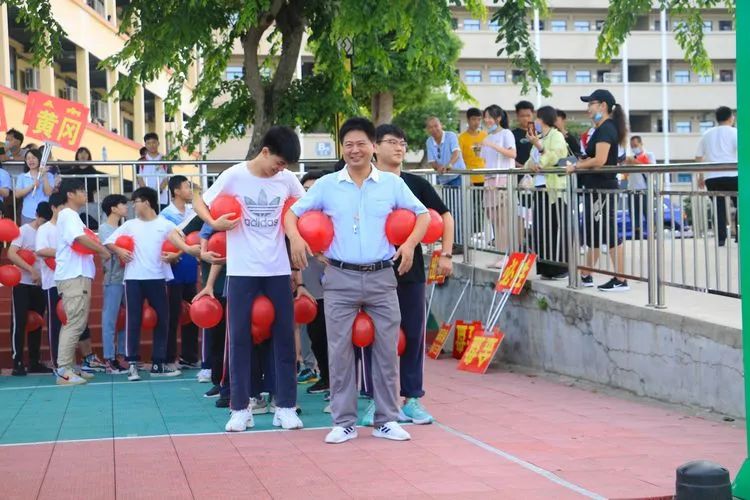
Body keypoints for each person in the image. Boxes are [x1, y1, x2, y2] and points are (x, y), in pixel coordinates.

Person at [287, 117, 430, 444]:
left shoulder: (391, 184)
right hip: (339, 276)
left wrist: (408, 245)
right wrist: (297, 240)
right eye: (348, 144)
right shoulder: (326, 184)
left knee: (385, 351)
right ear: (342, 148)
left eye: (361, 143)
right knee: (339, 353)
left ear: (372, 146)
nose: (355, 150)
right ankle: (345, 422)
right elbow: (293, 214)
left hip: (382, 276)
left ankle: (386, 419)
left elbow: (422, 215)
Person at [193, 126, 307, 433]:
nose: (280, 170)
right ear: (265, 151)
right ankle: (240, 408)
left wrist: (296, 236)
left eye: (285, 167)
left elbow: (304, 209)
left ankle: (284, 406)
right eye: (279, 163)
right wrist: (212, 222)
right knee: (239, 340)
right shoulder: (234, 175)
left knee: (284, 339)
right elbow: (198, 200)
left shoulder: (287, 180)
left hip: (277, 270)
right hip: (242, 271)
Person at [366, 123, 453, 426]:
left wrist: (446, 253)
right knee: (374, 337)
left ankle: (412, 398)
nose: (399, 147)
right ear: (375, 147)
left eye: (403, 142)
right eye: (392, 142)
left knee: (413, 335)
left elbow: (444, 216)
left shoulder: (416, 184)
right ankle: (374, 399)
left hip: (410, 272)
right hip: (372, 272)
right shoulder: (364, 183)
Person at [104, 187, 181, 380]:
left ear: (146, 202)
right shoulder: (130, 225)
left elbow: (182, 244)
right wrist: (120, 252)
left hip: (157, 278)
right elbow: (109, 242)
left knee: (162, 320)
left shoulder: (165, 225)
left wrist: (175, 255)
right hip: (133, 280)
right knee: (133, 320)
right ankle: (132, 365)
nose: (133, 205)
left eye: (135, 201)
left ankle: (158, 363)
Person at [566, 89, 629, 292]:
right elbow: (596, 158)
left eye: (590, 104)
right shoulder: (602, 128)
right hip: (597, 187)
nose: (588, 109)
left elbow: (601, 160)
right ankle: (586, 273)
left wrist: (576, 166)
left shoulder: (606, 128)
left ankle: (621, 279)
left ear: (603, 106)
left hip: (603, 187)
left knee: (609, 232)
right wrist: (583, 162)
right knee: (596, 231)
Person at [55, 179, 111, 385]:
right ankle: (63, 370)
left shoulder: (72, 216)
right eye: (80, 190)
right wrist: (103, 250)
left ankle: (69, 367)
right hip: (73, 276)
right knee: (74, 323)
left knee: (76, 322)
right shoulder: (68, 215)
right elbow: (79, 239)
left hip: (76, 275)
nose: (84, 193)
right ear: (70, 194)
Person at [8, 202, 53, 376]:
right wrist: (31, 269)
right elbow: (12, 253)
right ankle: (17, 361)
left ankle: (34, 362)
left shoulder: (48, 231)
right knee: (19, 322)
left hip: (40, 284)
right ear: (36, 215)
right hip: (22, 283)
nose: (43, 224)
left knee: (37, 322)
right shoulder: (24, 230)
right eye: (41, 220)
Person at [160, 175, 200, 370]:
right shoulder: (166, 214)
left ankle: (189, 356)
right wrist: (175, 254)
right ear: (176, 191)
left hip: (190, 271)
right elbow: (164, 242)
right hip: (173, 273)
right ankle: (168, 358)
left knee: (193, 315)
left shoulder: (194, 212)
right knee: (172, 316)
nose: (190, 190)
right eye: (187, 186)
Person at [296, 171, 331, 396]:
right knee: (316, 336)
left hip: (335, 286)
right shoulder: (297, 220)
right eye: (306, 189)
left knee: (334, 339)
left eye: (315, 189)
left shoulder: (333, 216)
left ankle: (336, 382)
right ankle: (324, 377)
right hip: (310, 288)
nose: (312, 193)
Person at [526, 106, 569, 279]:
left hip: (554, 190)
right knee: (540, 229)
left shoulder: (556, 135)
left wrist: (540, 152)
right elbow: (530, 160)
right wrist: (532, 165)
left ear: (543, 119)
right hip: (540, 188)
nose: (535, 121)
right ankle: (545, 268)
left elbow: (556, 156)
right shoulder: (540, 137)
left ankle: (559, 269)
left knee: (555, 228)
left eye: (537, 118)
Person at [480, 105, 516, 269]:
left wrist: (493, 146)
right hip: (489, 180)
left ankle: (505, 255)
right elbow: (485, 158)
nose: (487, 120)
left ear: (498, 118)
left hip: (502, 179)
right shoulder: (489, 135)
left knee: (502, 219)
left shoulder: (506, 133)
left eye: (489, 117)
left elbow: (512, 154)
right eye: (485, 117)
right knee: (494, 219)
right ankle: (500, 254)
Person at [696, 106, 738, 247]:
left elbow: (698, 156)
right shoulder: (735, 132)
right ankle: (740, 235)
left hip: (712, 176)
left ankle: (720, 239)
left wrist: (700, 176)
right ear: (730, 117)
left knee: (718, 206)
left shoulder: (707, 133)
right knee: (741, 205)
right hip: (733, 175)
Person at [98, 194, 130, 373]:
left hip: (128, 278)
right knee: (110, 320)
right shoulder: (104, 228)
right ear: (113, 209)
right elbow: (110, 246)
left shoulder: (124, 227)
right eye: (122, 204)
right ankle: (109, 358)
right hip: (113, 279)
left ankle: (123, 355)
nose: (126, 207)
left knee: (125, 319)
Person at [426, 116, 465, 252]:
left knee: (458, 211)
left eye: (436, 125)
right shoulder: (429, 141)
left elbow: (456, 152)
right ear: (427, 129)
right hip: (444, 179)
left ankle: (460, 244)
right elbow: (431, 161)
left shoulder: (450, 136)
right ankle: (452, 243)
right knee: (448, 212)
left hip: (458, 176)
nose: (434, 129)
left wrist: (448, 165)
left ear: (441, 125)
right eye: (430, 127)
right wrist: (439, 167)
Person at [458, 108, 487, 239]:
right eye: (474, 119)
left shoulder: (485, 136)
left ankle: (482, 233)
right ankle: (472, 234)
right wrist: (466, 176)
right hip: (471, 178)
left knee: (485, 207)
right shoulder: (462, 138)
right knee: (473, 207)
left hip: (486, 177)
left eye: (479, 119)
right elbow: (460, 159)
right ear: (468, 120)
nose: (476, 122)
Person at [59, 147, 106, 225]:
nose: (83, 155)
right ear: (77, 155)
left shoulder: (94, 173)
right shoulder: (71, 172)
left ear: (89, 156)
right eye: (81, 152)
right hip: (72, 202)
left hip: (89, 201)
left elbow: (95, 190)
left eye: (85, 153)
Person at [625, 136, 656, 238]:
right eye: (632, 146)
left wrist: (636, 162)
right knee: (634, 214)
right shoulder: (630, 157)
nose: (634, 147)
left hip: (644, 189)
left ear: (641, 144)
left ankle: (652, 233)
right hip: (631, 188)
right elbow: (625, 173)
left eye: (635, 145)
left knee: (648, 212)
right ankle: (637, 234)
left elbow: (652, 170)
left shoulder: (649, 155)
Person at [14, 149, 55, 225]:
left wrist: (44, 175)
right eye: (28, 158)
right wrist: (32, 186)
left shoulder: (49, 176)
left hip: (44, 214)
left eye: (33, 158)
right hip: (27, 213)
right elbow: (17, 194)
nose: (31, 160)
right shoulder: (22, 176)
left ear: (39, 159)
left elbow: (48, 192)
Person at [137, 133, 171, 210]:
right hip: (145, 198)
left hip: (162, 198)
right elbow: (139, 178)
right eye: (148, 143)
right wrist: (147, 192)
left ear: (158, 143)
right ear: (145, 145)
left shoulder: (164, 159)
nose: (151, 145)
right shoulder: (141, 161)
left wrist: (159, 190)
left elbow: (168, 176)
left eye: (154, 142)